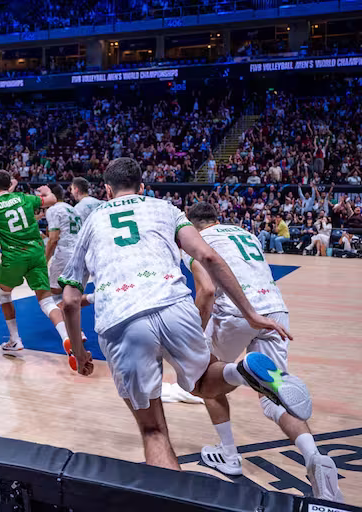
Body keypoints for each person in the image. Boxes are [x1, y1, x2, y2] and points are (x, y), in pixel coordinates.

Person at [59, 157, 311, 470]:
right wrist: (252, 315)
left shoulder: (93, 220)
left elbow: (69, 300)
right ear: (142, 186)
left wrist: (80, 350)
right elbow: (208, 256)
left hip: (123, 319)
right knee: (204, 382)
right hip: (175, 307)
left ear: (107, 190)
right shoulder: (166, 208)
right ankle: (241, 371)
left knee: (153, 431)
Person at [183, 202, 342, 500]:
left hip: (234, 312)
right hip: (275, 311)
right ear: (217, 218)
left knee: (206, 381)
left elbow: (205, 291)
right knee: (274, 396)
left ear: (193, 225)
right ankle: (314, 458)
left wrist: (193, 334)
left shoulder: (196, 240)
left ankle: (229, 454)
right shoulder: (245, 233)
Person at [0, 170, 70, 355]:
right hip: (36, 252)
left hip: (15, 256)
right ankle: (67, 337)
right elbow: (50, 200)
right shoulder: (24, 198)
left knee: (3, 294)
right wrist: (46, 190)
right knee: (46, 301)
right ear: (9, 184)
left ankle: (15, 339)